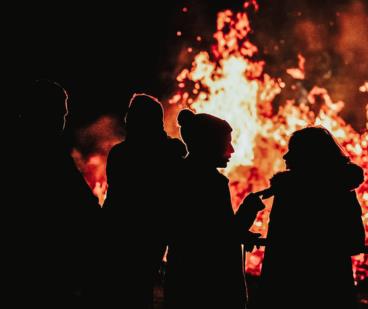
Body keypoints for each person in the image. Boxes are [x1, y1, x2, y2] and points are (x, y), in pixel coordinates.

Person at [164, 109, 265, 309]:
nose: (232, 150)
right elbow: (223, 235)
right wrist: (248, 209)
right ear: (209, 144)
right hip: (212, 287)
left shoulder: (177, 174)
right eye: (226, 143)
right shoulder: (211, 183)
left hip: (182, 278)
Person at [256, 126, 365, 308]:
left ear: (308, 155)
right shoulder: (342, 191)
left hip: (286, 289)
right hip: (332, 288)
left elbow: (279, 244)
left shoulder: (289, 192)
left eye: (293, 151)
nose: (285, 157)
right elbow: (355, 242)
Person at [15, 79, 100, 307]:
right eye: (60, 114)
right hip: (44, 263)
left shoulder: (22, 142)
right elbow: (82, 203)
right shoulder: (48, 151)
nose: (63, 120)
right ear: (45, 112)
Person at [102, 93, 186, 308]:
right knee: (140, 291)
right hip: (152, 234)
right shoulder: (170, 152)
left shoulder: (120, 154)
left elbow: (114, 199)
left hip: (121, 234)